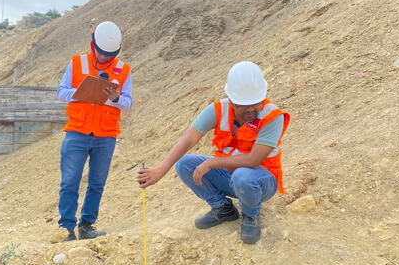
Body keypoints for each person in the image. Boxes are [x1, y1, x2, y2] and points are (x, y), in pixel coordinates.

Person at [137, 61, 289, 244]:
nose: (250, 109)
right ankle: (223, 209)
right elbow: (189, 138)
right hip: (230, 176)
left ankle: (250, 216)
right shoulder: (218, 110)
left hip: (260, 182)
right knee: (184, 163)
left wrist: (212, 163)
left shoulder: (272, 116)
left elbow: (254, 160)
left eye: (255, 103)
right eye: (243, 104)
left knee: (243, 176)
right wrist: (161, 169)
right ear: (231, 98)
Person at [56, 21, 133, 241]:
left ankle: (87, 225)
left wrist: (115, 98)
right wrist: (81, 93)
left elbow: (127, 102)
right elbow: (61, 92)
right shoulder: (77, 62)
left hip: (106, 135)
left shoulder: (123, 70)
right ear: (93, 44)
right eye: (100, 53)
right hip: (77, 132)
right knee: (70, 181)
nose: (102, 58)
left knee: (97, 183)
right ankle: (66, 228)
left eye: (108, 55)